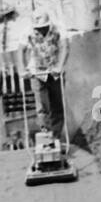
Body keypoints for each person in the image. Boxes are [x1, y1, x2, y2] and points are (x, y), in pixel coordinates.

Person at [25, 10, 68, 139]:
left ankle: (56, 137)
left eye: (44, 27)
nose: (41, 30)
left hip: (54, 72)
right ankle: (46, 134)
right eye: (39, 28)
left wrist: (60, 67)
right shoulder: (28, 32)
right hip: (37, 73)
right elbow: (21, 50)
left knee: (57, 105)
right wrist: (23, 69)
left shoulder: (58, 29)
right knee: (42, 107)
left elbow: (65, 48)